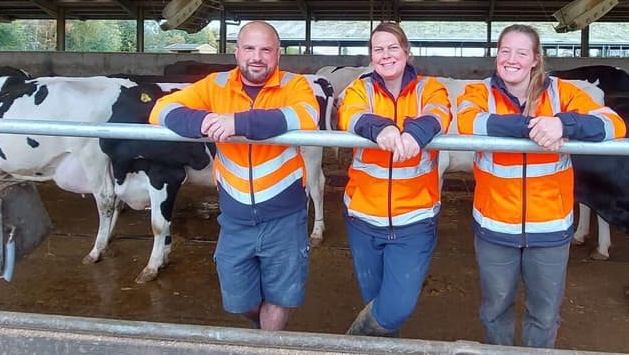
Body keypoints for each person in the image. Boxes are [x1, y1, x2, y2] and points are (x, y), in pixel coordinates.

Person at [456, 24, 626, 348]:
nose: (511, 59)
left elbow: (614, 124)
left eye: (521, 52)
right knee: (494, 310)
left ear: (536, 59)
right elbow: (467, 121)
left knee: (545, 315)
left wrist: (564, 123)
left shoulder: (563, 93)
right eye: (505, 51)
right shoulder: (479, 93)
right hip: (495, 227)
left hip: (549, 228)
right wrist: (533, 127)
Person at [149, 21, 319, 331]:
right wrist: (205, 122)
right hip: (235, 216)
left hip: (284, 216)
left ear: (277, 54)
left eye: (266, 50)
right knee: (242, 302)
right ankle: (263, 332)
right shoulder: (215, 84)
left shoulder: (294, 85)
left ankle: (266, 346)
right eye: (250, 48)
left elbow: (307, 115)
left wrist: (238, 123)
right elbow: (160, 110)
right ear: (237, 52)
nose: (257, 57)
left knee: (280, 297)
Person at [338, 22, 450, 337]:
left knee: (396, 307)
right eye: (378, 49)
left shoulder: (430, 88)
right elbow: (350, 115)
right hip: (362, 216)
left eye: (392, 48)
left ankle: (353, 340)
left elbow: (439, 113)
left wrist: (416, 132)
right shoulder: (360, 89)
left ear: (406, 51)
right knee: (375, 300)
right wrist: (382, 128)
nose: (385, 55)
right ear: (371, 56)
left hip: (414, 219)